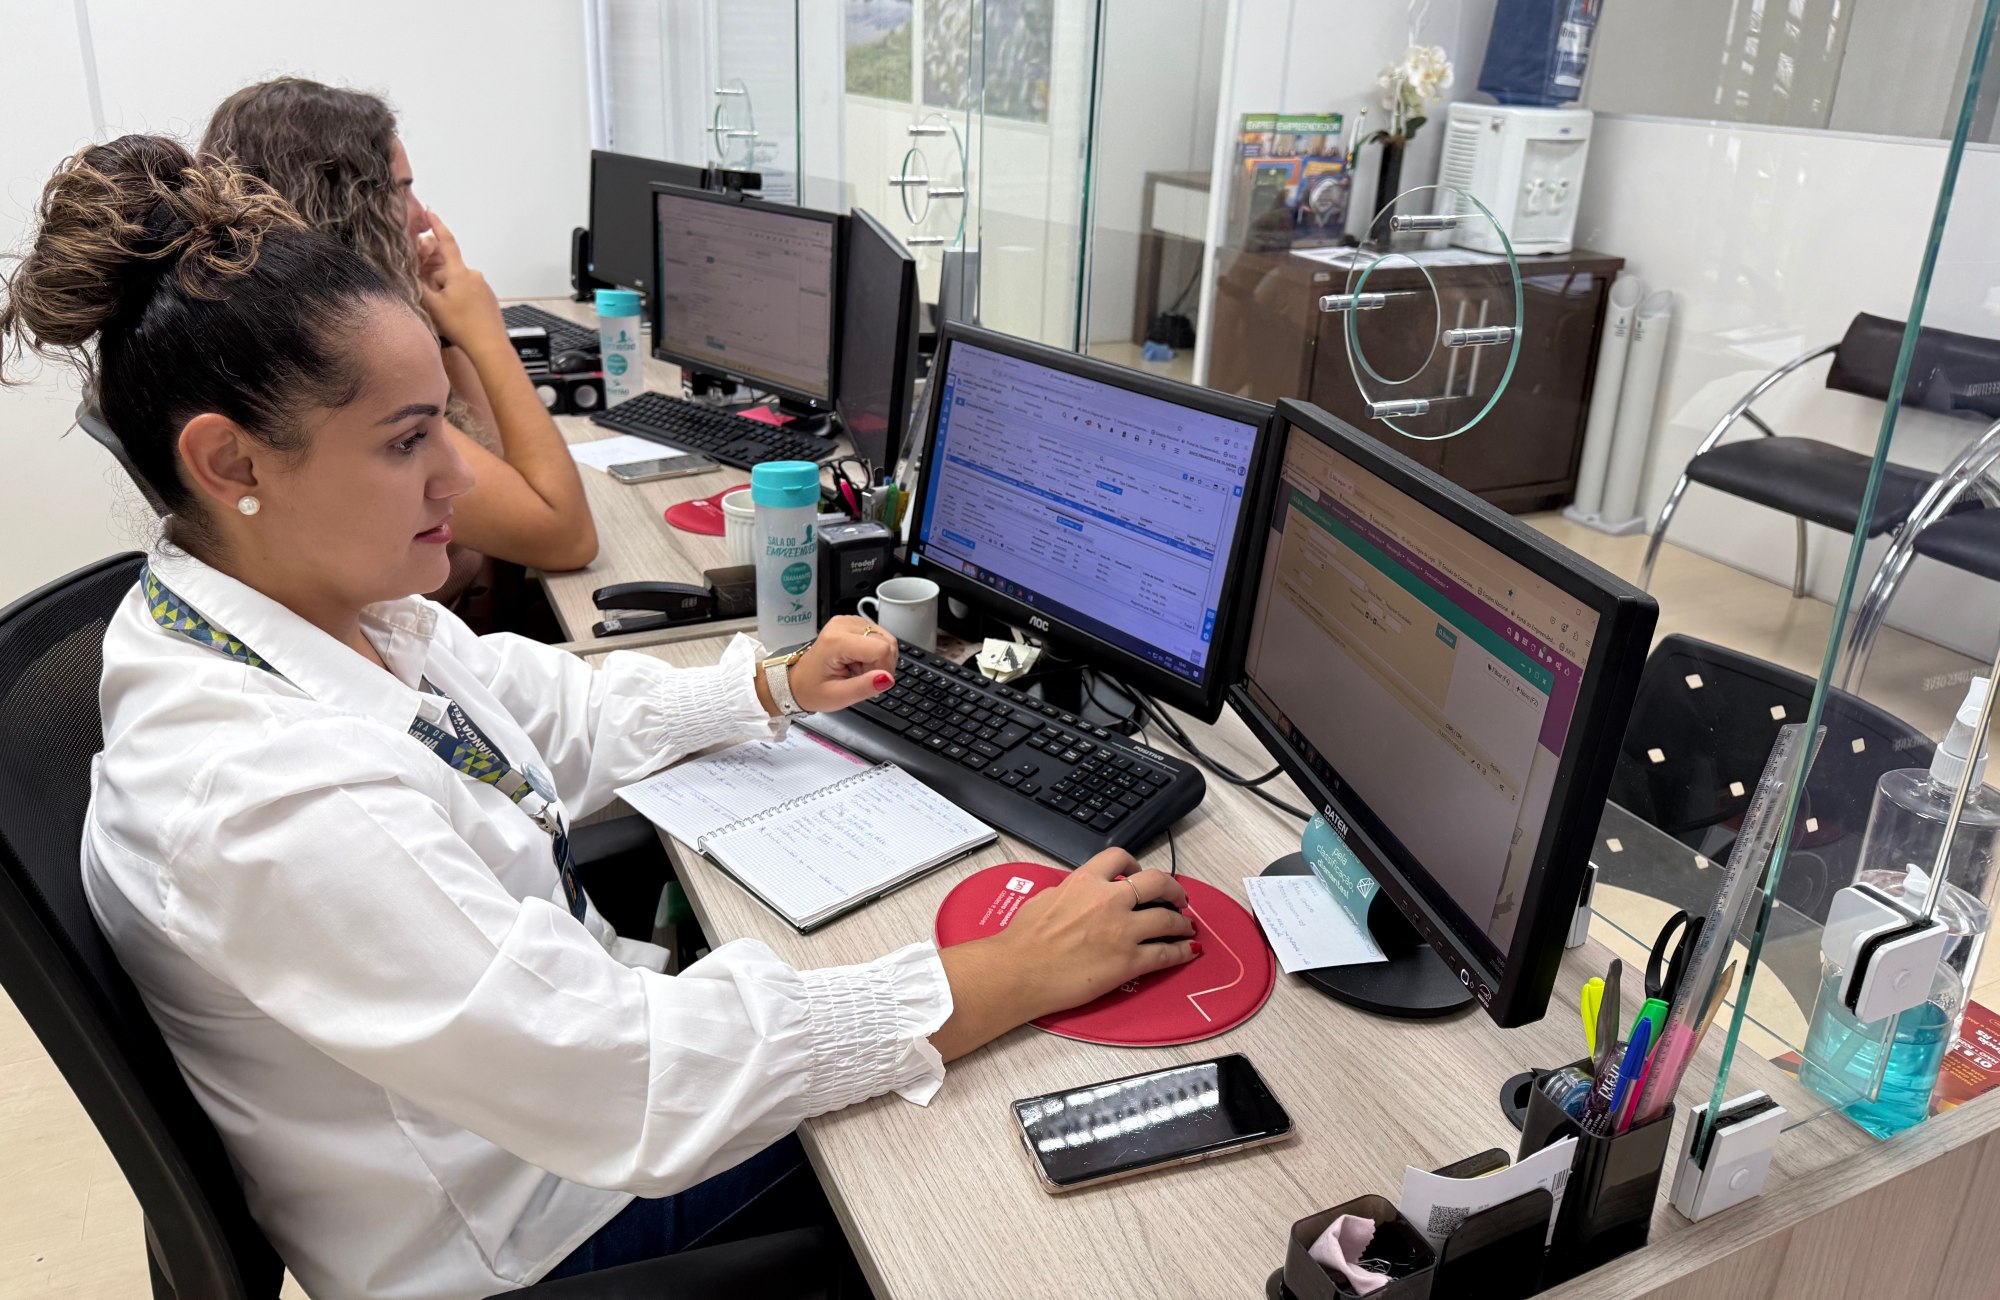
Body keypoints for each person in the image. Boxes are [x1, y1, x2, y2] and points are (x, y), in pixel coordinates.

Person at [0, 137, 1198, 1300]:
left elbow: (551, 713)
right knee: (1006, 1121)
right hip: (534, 1222)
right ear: (229, 463)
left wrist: (772, 687)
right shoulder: (262, 800)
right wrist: (997, 972)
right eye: (409, 439)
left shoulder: (301, 610)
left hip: (546, 1097)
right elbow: (631, 1077)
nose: (457, 477)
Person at [202, 76, 598, 600]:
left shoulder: (251, 317)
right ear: (347, 208)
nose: (421, 217)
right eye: (401, 188)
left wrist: (447, 333)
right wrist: (487, 337)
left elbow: (497, 466)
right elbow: (563, 535)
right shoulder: (326, 355)